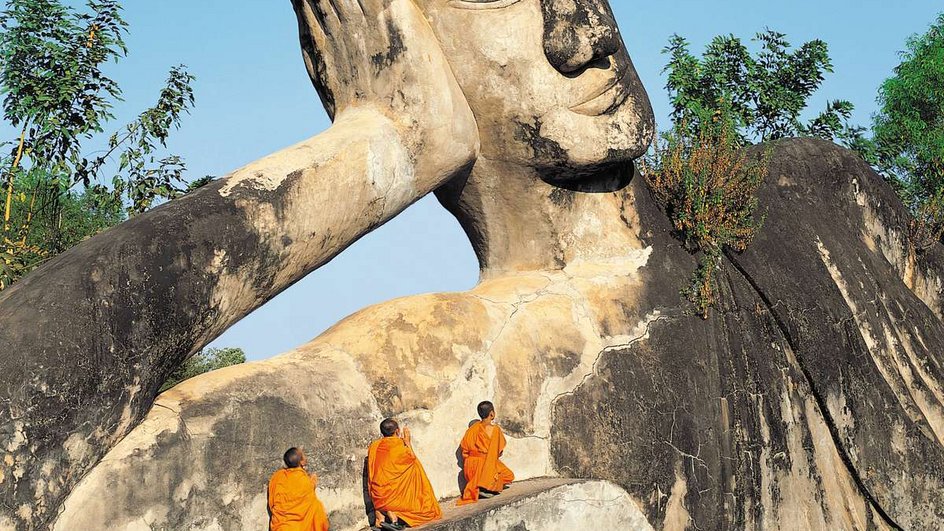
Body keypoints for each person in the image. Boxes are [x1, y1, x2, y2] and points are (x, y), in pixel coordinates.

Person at [367, 418, 442, 529]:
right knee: (414, 472)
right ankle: (394, 519)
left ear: (382, 432)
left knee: (383, 502)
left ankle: (381, 521)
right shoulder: (400, 444)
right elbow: (412, 458)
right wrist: (407, 442)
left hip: (378, 492)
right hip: (394, 495)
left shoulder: (374, 446)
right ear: (397, 431)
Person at [457, 401, 515, 506]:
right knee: (508, 475)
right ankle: (484, 487)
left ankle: (482, 485)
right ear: (492, 414)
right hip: (484, 465)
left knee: (497, 469)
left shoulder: (471, 430)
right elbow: (498, 453)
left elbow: (464, 451)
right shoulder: (495, 430)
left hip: (469, 468)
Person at [268, 447, 330, 531]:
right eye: (303, 455)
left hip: (282, 527)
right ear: (302, 462)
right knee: (317, 507)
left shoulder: (277, 476)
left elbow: (272, 502)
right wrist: (313, 481)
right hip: (300, 527)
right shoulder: (304, 480)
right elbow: (307, 497)